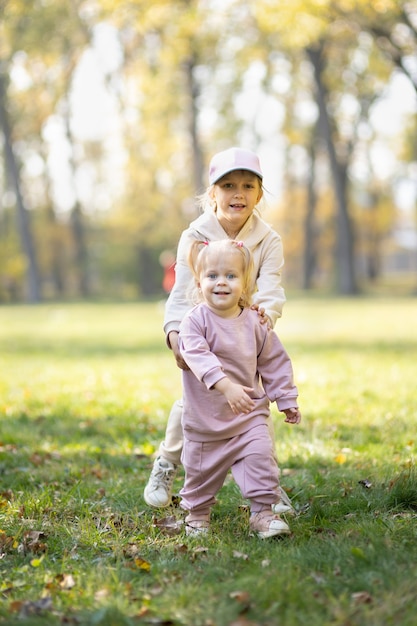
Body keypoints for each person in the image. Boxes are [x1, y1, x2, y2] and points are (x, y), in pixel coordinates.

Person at [144, 146, 293, 514]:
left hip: (244, 328)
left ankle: (267, 483)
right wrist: (175, 333)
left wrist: (264, 317)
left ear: (259, 193)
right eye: (227, 185)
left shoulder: (268, 239)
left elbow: (271, 286)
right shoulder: (195, 235)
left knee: (252, 401)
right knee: (197, 401)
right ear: (213, 193)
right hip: (202, 327)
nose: (237, 193)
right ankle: (166, 462)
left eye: (247, 185)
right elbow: (181, 291)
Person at [178, 239, 301, 538]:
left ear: (244, 283)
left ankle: (263, 513)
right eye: (212, 276)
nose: (221, 282)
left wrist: (285, 398)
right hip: (206, 420)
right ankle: (197, 514)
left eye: (231, 276)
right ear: (199, 282)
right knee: (200, 474)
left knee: (260, 458)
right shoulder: (194, 321)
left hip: (248, 417)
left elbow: (273, 362)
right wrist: (226, 386)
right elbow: (197, 356)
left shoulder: (255, 323)